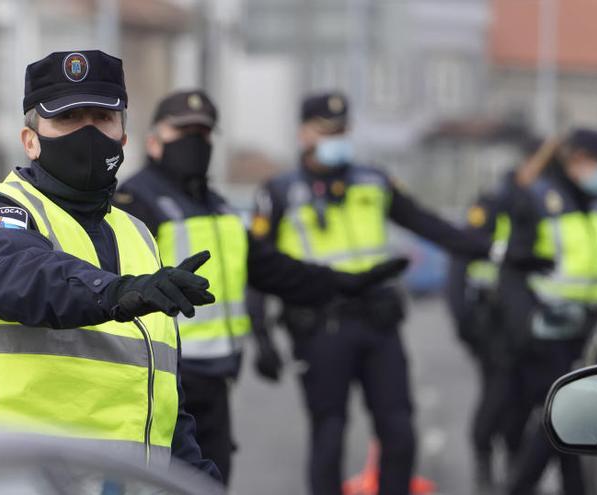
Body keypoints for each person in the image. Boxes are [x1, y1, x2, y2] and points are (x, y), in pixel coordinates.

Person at [0, 50, 220, 480]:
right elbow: (18, 275)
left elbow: (159, 395)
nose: (88, 133)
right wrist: (113, 293)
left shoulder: (138, 235)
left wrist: (195, 480)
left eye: (102, 119)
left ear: (124, 137)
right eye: (68, 119)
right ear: (30, 140)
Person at [246, 92, 544, 495]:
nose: (338, 138)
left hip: (378, 322)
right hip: (320, 328)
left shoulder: (373, 180)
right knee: (329, 436)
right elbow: (259, 265)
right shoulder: (279, 192)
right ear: (304, 133)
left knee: (400, 433)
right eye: (327, 130)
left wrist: (497, 251)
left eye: (343, 130)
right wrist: (260, 332)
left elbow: (429, 225)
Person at [113, 90, 410, 484]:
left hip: (216, 381)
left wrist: (348, 283)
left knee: (212, 482)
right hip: (162, 380)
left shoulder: (217, 207)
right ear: (153, 139)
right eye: (183, 130)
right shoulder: (133, 202)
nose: (194, 141)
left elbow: (273, 270)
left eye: (203, 133)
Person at [502, 129, 597, 495]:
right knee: (560, 415)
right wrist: (527, 324)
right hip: (550, 327)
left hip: (591, 326)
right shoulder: (540, 198)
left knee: (579, 425)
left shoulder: (595, 201)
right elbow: (513, 269)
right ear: (574, 161)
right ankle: (517, 487)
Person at [445, 175, 530, 492]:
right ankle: (484, 459)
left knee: (519, 401)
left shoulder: (528, 209)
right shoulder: (488, 211)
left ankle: (515, 466)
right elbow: (458, 268)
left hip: (520, 325)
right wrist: (463, 323)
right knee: (498, 395)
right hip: (490, 323)